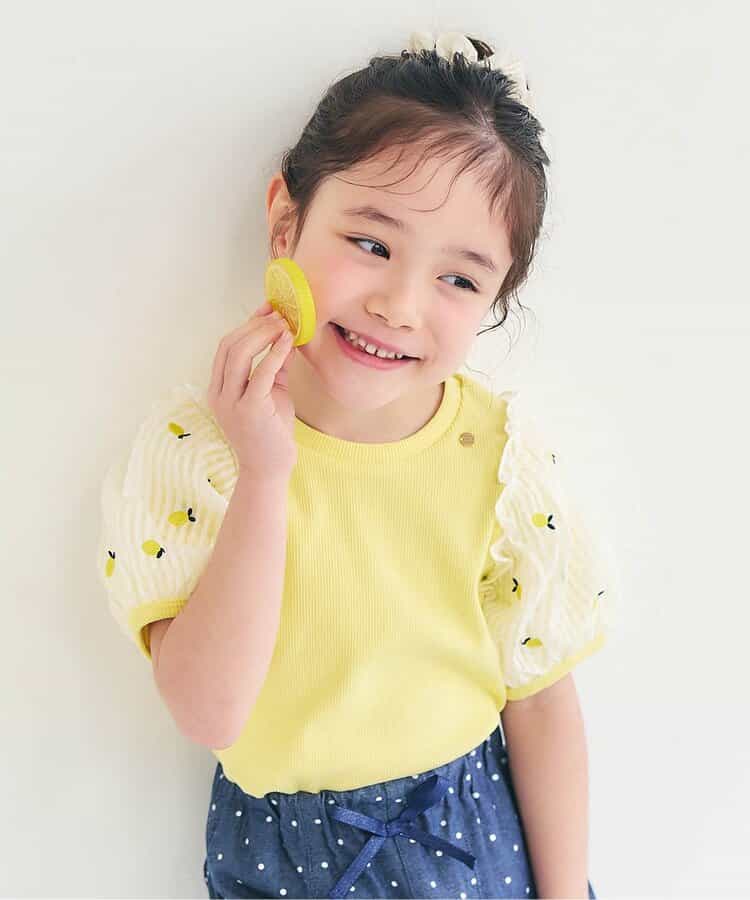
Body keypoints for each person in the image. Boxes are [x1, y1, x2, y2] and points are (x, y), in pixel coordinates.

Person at [96, 29, 620, 900]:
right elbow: (207, 713)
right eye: (372, 244)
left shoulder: (500, 458)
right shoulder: (200, 452)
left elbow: (540, 701)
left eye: (460, 280)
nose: (399, 305)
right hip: (280, 857)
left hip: (468, 841)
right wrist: (266, 474)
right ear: (286, 222)